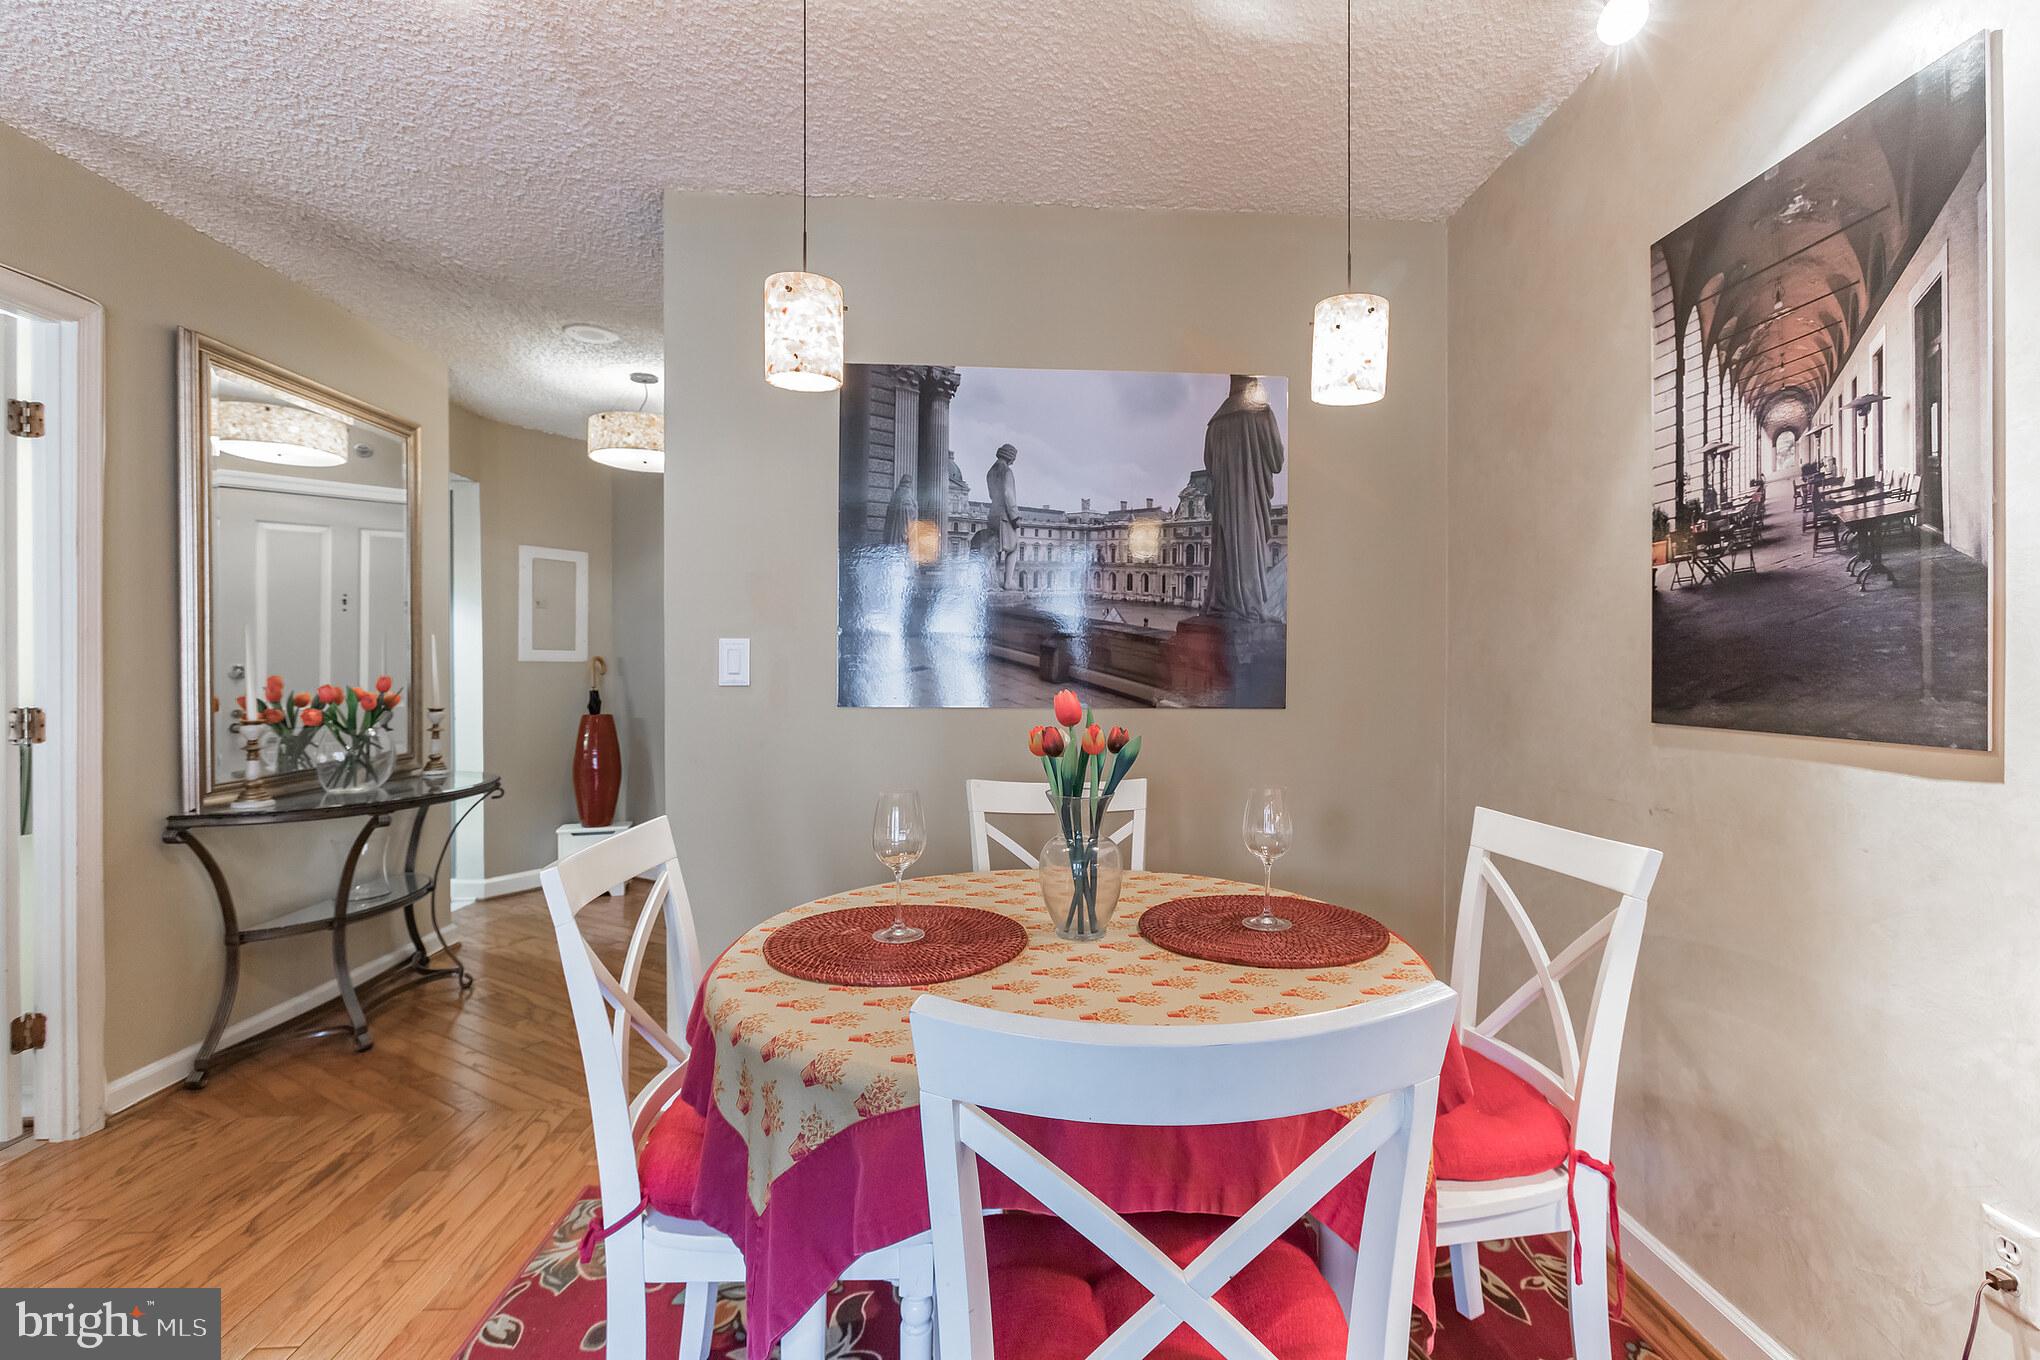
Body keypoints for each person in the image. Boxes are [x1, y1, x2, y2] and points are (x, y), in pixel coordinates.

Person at [1202, 375, 1285, 621]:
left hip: (1223, 504)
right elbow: (1277, 461)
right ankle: (1249, 601)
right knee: (1249, 543)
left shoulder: (1214, 424)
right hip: (1249, 499)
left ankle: (1224, 599)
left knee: (1225, 548)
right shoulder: (1261, 413)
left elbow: (1209, 466)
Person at [986, 443, 1021, 591]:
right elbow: (1008, 494)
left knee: (994, 549)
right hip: (1005, 516)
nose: (1014, 460)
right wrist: (1015, 516)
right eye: (1014, 457)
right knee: (1013, 547)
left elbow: (991, 495)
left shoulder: (990, 472)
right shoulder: (1007, 471)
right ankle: (1008, 581)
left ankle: (991, 581)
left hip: (992, 513)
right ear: (1010, 456)